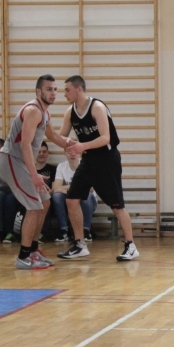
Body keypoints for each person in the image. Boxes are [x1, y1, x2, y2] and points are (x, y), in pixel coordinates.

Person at [57, 75, 139, 261]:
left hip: (107, 159)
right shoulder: (70, 112)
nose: (64, 94)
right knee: (72, 200)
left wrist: (81, 146)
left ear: (79, 89)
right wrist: (68, 146)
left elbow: (105, 138)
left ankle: (130, 245)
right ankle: (80, 244)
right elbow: (62, 136)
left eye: (67, 90)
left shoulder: (97, 107)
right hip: (88, 160)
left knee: (117, 206)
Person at [0, 75, 71, 269]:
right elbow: (25, 145)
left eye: (55, 89)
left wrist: (75, 145)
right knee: (34, 207)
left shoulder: (45, 113)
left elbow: (53, 136)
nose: (53, 93)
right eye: (49, 89)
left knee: (45, 202)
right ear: (38, 91)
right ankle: (23, 256)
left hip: (22, 163)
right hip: (12, 160)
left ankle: (33, 250)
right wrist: (34, 174)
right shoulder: (33, 111)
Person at [51, 153, 97, 243]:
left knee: (86, 195)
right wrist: (77, 186)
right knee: (57, 196)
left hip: (88, 202)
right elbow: (55, 188)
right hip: (70, 201)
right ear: (65, 153)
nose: (72, 154)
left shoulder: (87, 164)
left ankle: (86, 230)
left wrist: (66, 188)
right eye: (69, 152)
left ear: (79, 152)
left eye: (74, 151)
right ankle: (64, 230)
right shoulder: (61, 166)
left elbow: (90, 188)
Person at [34, 141, 57, 240]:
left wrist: (45, 194)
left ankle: (41, 233)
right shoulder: (30, 169)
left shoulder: (53, 169)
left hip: (46, 196)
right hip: (32, 197)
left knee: (45, 202)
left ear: (48, 153)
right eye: (39, 152)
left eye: (44, 151)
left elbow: (54, 188)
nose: (41, 154)